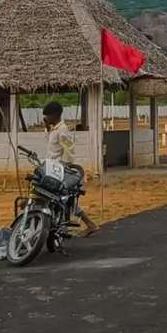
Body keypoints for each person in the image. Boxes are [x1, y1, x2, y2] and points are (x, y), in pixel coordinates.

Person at [42, 101, 98, 236]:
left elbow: (69, 150)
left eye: (47, 116)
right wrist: (47, 127)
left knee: (64, 200)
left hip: (58, 170)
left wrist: (65, 168)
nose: (46, 118)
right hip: (50, 168)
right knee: (55, 199)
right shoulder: (55, 129)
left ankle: (89, 224)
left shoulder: (62, 130)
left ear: (55, 115)